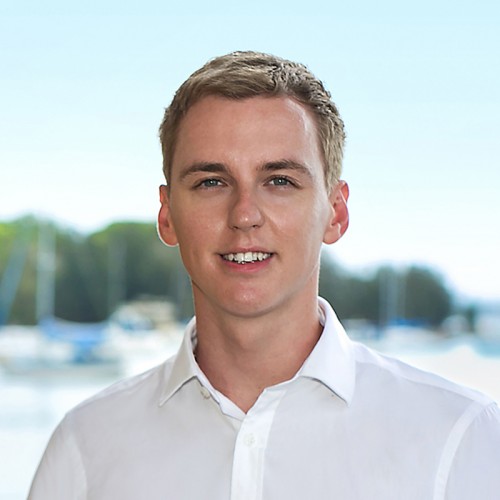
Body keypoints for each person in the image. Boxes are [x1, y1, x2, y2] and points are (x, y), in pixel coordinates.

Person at [29, 51, 500, 500]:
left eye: (279, 181)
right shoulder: (83, 448)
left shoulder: (460, 437)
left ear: (335, 213)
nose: (244, 215)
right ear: (167, 215)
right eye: (211, 182)